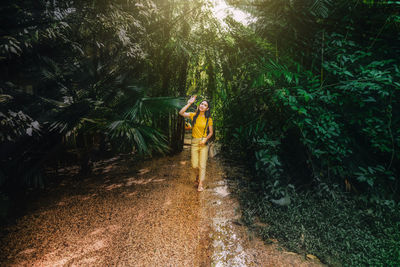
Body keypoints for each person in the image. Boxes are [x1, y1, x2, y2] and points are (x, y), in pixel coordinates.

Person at [179, 95, 213, 192]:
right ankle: (197, 175)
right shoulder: (193, 115)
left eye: (205, 105)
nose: (202, 105)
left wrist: (205, 140)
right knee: (194, 164)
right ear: (199, 105)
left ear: (207, 108)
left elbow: (211, 133)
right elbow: (181, 113)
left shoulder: (209, 119)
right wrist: (189, 103)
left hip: (203, 143)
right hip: (194, 142)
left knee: (202, 165)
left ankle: (200, 183)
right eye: (201, 104)